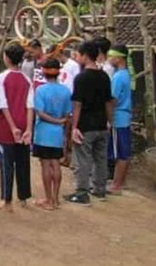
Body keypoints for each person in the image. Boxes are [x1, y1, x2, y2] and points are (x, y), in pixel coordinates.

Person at [63, 41, 113, 206]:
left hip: (85, 124)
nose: (77, 57)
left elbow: (77, 104)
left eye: (78, 54)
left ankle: (82, 192)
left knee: (83, 159)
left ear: (85, 55)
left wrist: (74, 126)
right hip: (101, 123)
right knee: (100, 158)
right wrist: (109, 121)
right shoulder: (104, 76)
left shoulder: (81, 78)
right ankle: (100, 189)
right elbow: (108, 102)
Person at [0, 43, 34, 212]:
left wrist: (12, 127)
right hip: (24, 122)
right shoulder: (26, 79)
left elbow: (3, 104)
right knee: (23, 162)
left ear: (7, 58)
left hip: (6, 126)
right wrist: (29, 129)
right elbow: (30, 106)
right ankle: (23, 198)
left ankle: (7, 199)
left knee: (6, 163)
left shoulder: (1, 78)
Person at [32, 58, 72, 211]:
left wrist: (54, 121)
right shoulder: (65, 91)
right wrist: (62, 127)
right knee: (56, 163)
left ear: (44, 72)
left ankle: (48, 198)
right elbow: (68, 114)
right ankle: (55, 197)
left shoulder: (41, 90)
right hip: (58, 132)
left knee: (45, 164)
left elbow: (40, 113)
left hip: (44, 131)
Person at [107, 45, 133, 194]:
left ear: (118, 58)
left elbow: (113, 100)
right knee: (124, 151)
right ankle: (120, 182)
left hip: (118, 118)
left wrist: (109, 120)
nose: (109, 59)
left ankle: (117, 185)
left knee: (120, 154)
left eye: (111, 56)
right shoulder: (125, 74)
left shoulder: (118, 77)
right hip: (124, 117)